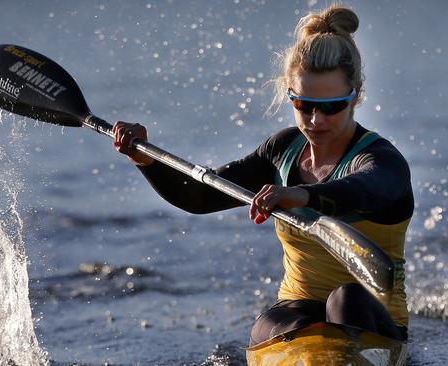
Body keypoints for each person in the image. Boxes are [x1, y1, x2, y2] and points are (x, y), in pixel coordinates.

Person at [112, 4, 412, 345]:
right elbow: (197, 197)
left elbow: (366, 190)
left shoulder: (383, 161)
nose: (316, 120)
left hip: (371, 315)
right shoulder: (281, 149)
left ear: (355, 96)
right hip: (299, 307)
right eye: (304, 105)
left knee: (345, 299)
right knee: (269, 323)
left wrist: (302, 196)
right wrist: (144, 159)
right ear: (290, 96)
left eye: (331, 107)